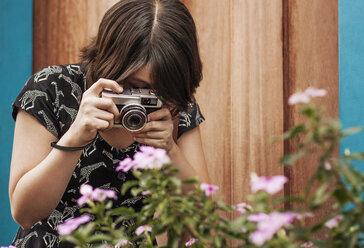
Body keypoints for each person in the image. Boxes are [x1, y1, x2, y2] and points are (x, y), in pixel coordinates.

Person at [9, 0, 209, 247]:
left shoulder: (173, 104)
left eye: (154, 92)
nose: (141, 98)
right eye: (133, 86)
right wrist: (75, 138)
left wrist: (170, 150)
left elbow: (205, 218)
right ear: (111, 61)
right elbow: (24, 213)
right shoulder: (51, 89)